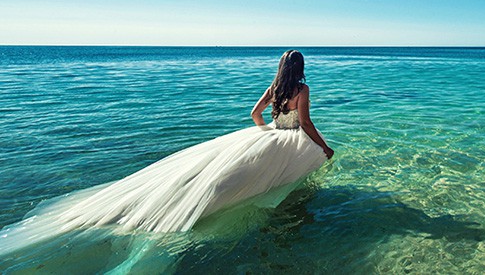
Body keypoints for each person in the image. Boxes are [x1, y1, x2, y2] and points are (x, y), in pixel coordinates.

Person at [0, 49, 333, 256]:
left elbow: (254, 114)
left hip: (268, 135)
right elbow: (304, 123)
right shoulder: (302, 89)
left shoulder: (274, 87)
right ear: (300, 67)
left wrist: (264, 136)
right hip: (287, 139)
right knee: (270, 179)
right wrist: (324, 147)